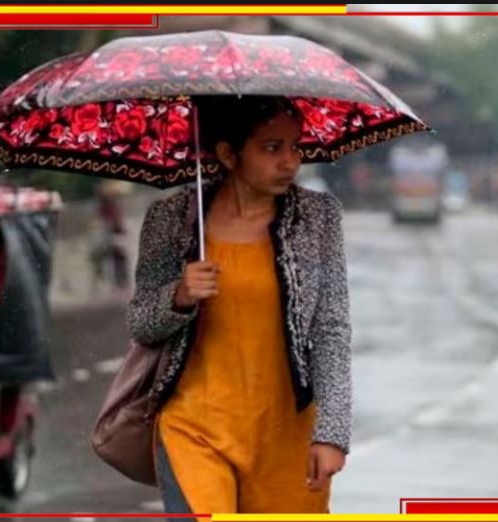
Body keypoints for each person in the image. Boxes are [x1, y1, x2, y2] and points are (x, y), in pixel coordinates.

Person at [125, 96, 352, 515]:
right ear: (229, 154)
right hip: (194, 428)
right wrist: (178, 296)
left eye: (295, 146)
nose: (289, 161)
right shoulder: (171, 220)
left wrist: (332, 434)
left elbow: (331, 330)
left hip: (286, 435)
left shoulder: (319, 218)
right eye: (271, 148)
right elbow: (141, 324)